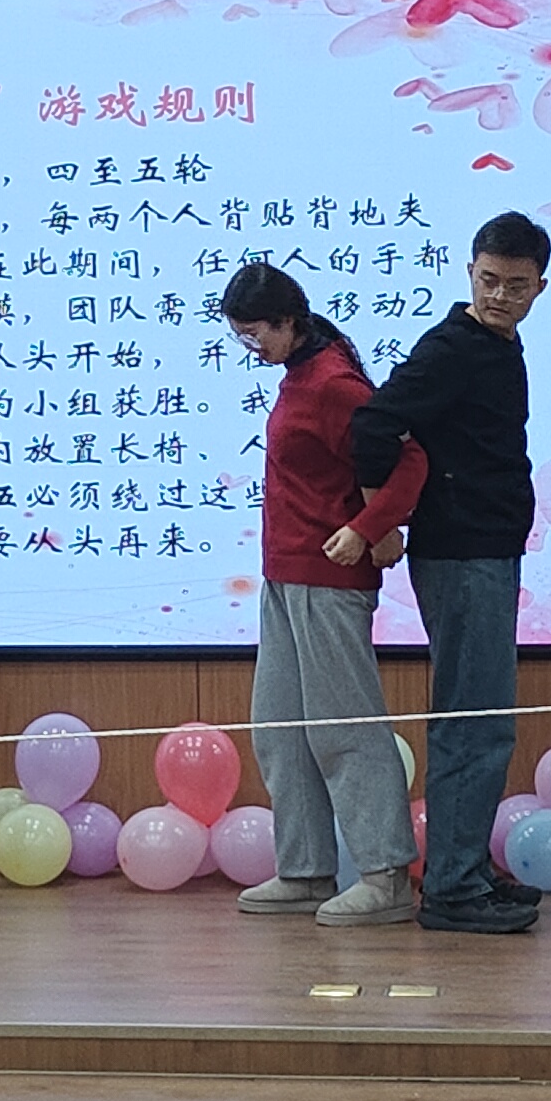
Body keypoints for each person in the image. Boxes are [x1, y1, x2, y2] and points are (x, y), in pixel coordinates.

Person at [346, 213, 551, 937]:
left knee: (482, 719)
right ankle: (454, 887)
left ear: (540, 287)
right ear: (470, 272)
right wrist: (379, 521)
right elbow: (373, 425)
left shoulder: (497, 345)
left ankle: (463, 869)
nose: (500, 295)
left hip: (485, 552)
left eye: (516, 285)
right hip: (462, 555)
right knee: (475, 722)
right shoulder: (452, 347)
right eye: (489, 280)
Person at [217, 258, 430, 925]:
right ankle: (305, 870)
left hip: (329, 581)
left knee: (346, 728)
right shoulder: (300, 373)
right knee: (279, 729)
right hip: (285, 576)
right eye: (241, 335)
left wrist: (366, 529)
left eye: (256, 333)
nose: (251, 346)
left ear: (289, 320)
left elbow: (411, 461)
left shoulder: (336, 383)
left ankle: (386, 875)